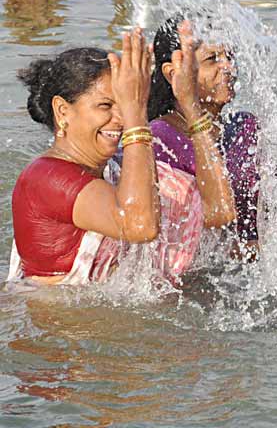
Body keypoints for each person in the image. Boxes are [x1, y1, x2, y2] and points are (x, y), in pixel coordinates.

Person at [9, 30, 204, 285]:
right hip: (59, 322)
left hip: (96, 315)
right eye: (105, 106)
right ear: (62, 110)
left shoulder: (113, 168)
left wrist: (190, 104)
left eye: (124, 104)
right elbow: (140, 226)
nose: (121, 118)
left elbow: (218, 210)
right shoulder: (45, 179)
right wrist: (137, 113)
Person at [149, 16, 256, 245]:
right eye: (212, 59)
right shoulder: (160, 140)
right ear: (172, 74)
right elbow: (184, 236)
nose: (228, 66)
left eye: (230, 56)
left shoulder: (244, 125)